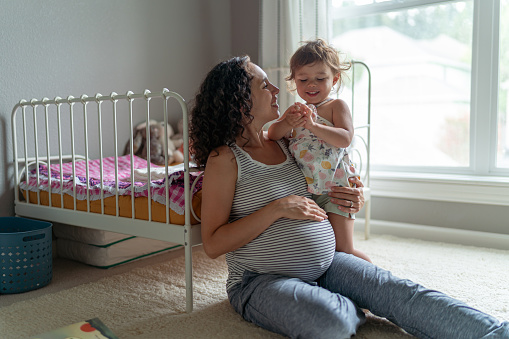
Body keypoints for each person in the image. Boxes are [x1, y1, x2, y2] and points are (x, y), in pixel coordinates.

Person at [189, 56, 509, 339]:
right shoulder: (225, 159)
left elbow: (326, 177)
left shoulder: (288, 143)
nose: (275, 90)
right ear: (240, 100)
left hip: (328, 265)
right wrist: (277, 209)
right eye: (264, 85)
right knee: (328, 323)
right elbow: (214, 245)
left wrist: (349, 194)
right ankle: (346, 302)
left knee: (397, 291)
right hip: (261, 281)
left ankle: (494, 332)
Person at [268, 39, 370, 262]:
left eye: (320, 78)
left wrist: (313, 126)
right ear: (294, 81)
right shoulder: (295, 111)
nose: (311, 85)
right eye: (303, 79)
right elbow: (272, 134)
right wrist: (288, 123)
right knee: (318, 250)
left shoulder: (336, 106)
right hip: (305, 191)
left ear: (334, 79)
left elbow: (345, 138)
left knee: (344, 250)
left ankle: (374, 277)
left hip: (337, 187)